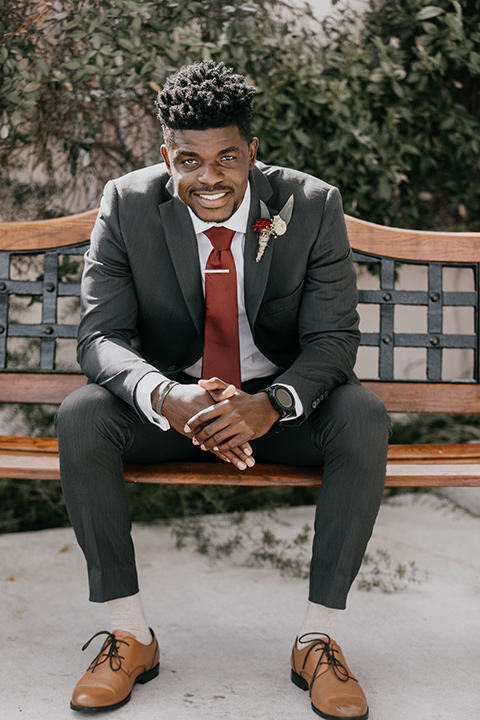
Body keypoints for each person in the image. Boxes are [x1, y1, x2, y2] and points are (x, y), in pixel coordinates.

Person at [56, 60, 390, 719]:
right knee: (82, 416)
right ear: (166, 156)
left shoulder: (302, 208)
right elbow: (99, 337)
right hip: (172, 412)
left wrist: (268, 405)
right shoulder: (128, 205)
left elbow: (333, 339)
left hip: (279, 412)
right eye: (189, 160)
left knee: (363, 416)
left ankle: (317, 639)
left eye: (227, 158)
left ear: (252, 153)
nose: (208, 177)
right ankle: (130, 635)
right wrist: (165, 396)